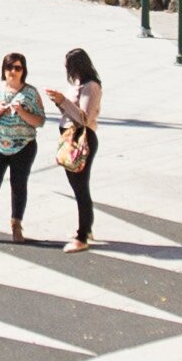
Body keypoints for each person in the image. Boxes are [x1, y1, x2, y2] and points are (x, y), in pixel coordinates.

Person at [0, 54, 47, 244]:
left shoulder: (30, 93)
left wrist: (22, 112)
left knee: (19, 186)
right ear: (3, 70)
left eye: (17, 68)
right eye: (9, 68)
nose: (13, 72)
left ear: (24, 71)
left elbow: (39, 121)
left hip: (23, 146)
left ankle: (16, 226)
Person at [50, 49, 106, 249]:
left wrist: (62, 100)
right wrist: (59, 103)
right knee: (79, 187)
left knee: (80, 188)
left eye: (69, 66)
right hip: (69, 137)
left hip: (82, 139)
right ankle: (86, 227)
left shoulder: (91, 87)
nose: (67, 70)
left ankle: (82, 236)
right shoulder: (78, 84)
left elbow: (84, 118)